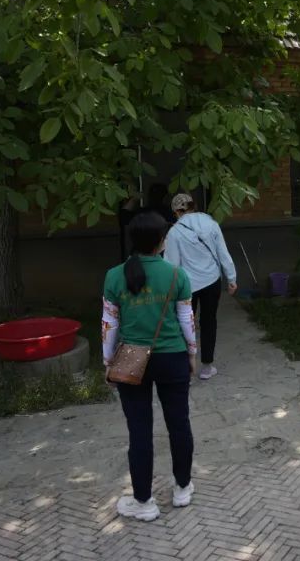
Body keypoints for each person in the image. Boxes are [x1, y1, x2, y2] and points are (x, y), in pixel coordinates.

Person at [103, 211, 197, 522]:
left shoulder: (114, 275)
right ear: (161, 241)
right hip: (172, 358)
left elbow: (109, 324)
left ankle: (143, 502)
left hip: (131, 360)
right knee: (179, 424)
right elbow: (187, 320)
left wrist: (108, 361)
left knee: (139, 431)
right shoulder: (177, 275)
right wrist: (192, 354)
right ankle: (182, 488)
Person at [164, 193, 237, 381]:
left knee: (184, 324)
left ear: (175, 211)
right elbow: (223, 252)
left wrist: (170, 291)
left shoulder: (174, 232)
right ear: (193, 206)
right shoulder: (211, 223)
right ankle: (206, 367)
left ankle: (185, 368)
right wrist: (231, 278)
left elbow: (172, 265)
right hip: (212, 280)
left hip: (187, 285)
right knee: (208, 321)